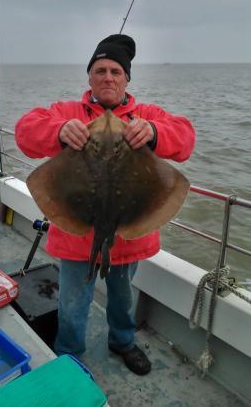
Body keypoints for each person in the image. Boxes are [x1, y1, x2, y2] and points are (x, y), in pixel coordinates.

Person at [15, 34, 195, 376]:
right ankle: (69, 356)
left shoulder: (146, 115)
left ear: (127, 78)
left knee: (123, 298)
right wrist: (58, 131)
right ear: (90, 77)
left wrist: (155, 133)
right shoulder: (68, 112)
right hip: (74, 234)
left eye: (115, 71)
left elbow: (185, 137)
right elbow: (26, 130)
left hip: (130, 235)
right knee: (72, 304)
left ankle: (123, 342)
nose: (108, 77)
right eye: (100, 70)